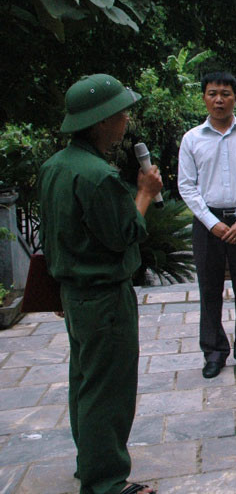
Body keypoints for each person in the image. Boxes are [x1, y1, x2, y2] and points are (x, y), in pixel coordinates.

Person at [38, 74, 162, 494]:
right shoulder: (97, 176)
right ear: (102, 121)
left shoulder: (55, 167)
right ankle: (106, 482)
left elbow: (53, 234)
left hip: (76, 295)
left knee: (86, 381)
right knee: (109, 389)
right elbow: (124, 235)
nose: (126, 121)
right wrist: (145, 193)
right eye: (121, 114)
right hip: (105, 297)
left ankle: (90, 462)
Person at [178, 72, 236, 378]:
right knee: (209, 289)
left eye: (225, 94)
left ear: (235, 98)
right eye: (213, 93)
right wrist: (211, 222)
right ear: (204, 97)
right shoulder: (192, 139)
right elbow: (187, 186)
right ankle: (214, 352)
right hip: (207, 225)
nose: (219, 100)